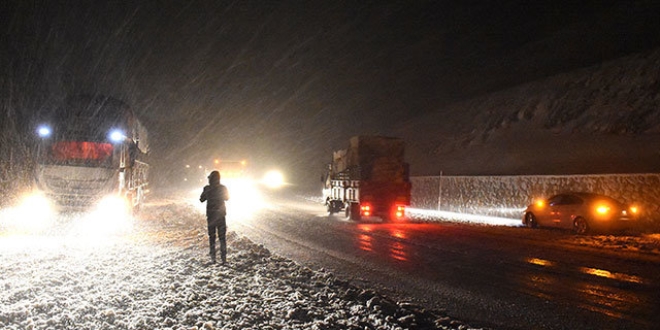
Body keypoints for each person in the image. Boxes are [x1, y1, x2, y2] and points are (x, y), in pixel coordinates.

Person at [200, 170, 230, 264]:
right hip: (221, 215)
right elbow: (227, 198)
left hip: (211, 215)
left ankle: (213, 257)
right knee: (222, 237)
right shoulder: (223, 188)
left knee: (212, 236)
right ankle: (223, 257)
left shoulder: (207, 188)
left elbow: (201, 199)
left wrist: (208, 193)